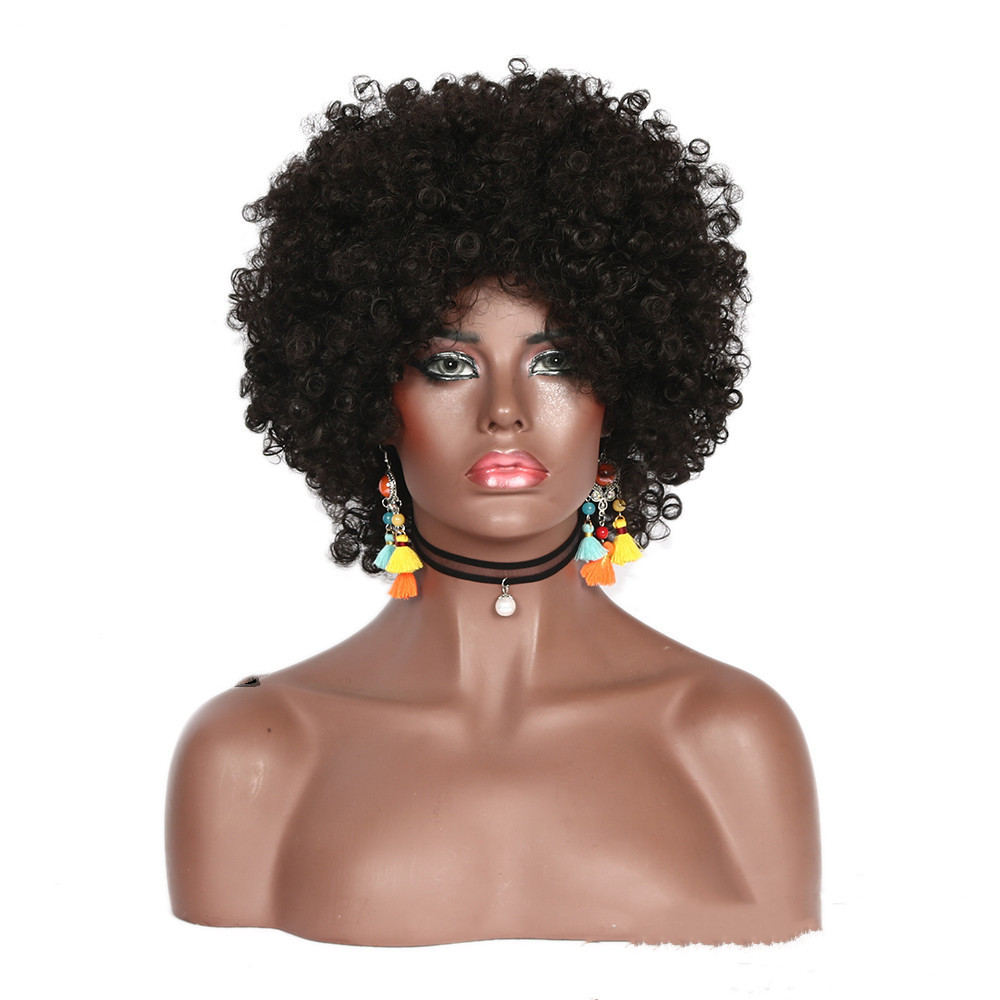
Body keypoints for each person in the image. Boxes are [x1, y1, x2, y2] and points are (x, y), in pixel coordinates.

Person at [165, 60, 820, 946]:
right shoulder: (253, 755)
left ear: (623, 390)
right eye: (449, 365)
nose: (505, 410)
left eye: (557, 361)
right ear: (367, 394)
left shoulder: (730, 740)